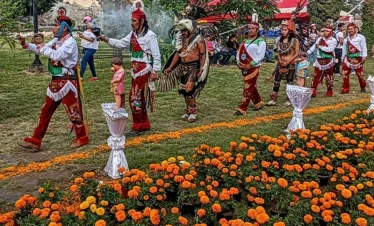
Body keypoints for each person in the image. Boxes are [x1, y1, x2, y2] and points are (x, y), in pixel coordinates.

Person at [17, 8, 89, 151]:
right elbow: (40, 49)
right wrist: (25, 44)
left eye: (56, 25)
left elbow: (57, 55)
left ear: (64, 28)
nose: (53, 28)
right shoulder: (56, 40)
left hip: (67, 82)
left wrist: (43, 46)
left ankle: (82, 137)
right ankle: (36, 139)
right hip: (56, 82)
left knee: (73, 112)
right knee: (45, 111)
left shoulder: (70, 43)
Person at [99, 0, 161, 136]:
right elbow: (121, 43)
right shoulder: (132, 34)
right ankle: (143, 123)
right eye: (131, 20)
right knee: (139, 97)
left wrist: (155, 71)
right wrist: (106, 39)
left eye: (134, 21)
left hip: (144, 69)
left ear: (142, 21)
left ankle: (138, 125)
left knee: (134, 97)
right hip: (135, 70)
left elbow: (156, 54)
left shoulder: (150, 36)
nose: (132, 23)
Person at [162, 19, 209, 123]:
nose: (183, 33)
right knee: (184, 91)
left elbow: (203, 54)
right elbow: (177, 54)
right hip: (183, 67)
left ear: (190, 29)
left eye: (184, 30)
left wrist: (202, 68)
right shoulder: (181, 40)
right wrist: (170, 67)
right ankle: (188, 110)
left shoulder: (198, 39)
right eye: (182, 31)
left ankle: (193, 112)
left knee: (189, 90)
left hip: (194, 67)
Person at [234, 22, 266, 115]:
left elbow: (261, 55)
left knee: (248, 86)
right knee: (251, 86)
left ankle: (242, 108)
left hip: (253, 67)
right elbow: (239, 52)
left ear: (257, 30)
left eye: (253, 28)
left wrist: (250, 64)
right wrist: (238, 62)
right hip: (243, 67)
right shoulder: (244, 41)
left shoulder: (261, 40)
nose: (250, 30)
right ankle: (258, 102)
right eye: (249, 28)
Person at [267, 20, 300, 106]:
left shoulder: (295, 40)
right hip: (280, 64)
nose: (283, 31)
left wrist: (288, 61)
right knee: (277, 81)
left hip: (290, 63)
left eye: (285, 30)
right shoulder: (279, 40)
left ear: (289, 30)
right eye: (282, 29)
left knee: (290, 82)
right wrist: (280, 60)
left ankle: (289, 100)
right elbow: (278, 52)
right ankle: (273, 99)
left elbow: (296, 53)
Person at [307, 25, 338, 97]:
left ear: (331, 32)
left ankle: (329, 91)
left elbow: (330, 49)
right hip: (319, 60)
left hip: (329, 61)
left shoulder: (333, 40)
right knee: (316, 76)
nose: (325, 32)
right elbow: (314, 46)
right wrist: (308, 52)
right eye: (324, 31)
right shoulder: (320, 39)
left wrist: (320, 47)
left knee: (329, 76)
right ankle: (313, 91)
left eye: (327, 31)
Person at [340, 23, 368, 94]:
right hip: (348, 59)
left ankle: (363, 87)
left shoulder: (361, 37)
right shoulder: (346, 39)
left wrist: (364, 56)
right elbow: (344, 50)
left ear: (355, 29)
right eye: (348, 29)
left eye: (351, 29)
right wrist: (342, 58)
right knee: (345, 74)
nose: (350, 30)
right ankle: (345, 89)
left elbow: (364, 47)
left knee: (360, 74)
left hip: (358, 59)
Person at [78, 16, 99, 81]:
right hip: (87, 48)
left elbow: (91, 40)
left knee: (84, 61)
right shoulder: (87, 30)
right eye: (85, 22)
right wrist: (81, 35)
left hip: (91, 48)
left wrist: (83, 36)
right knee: (91, 63)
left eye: (87, 22)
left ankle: (80, 77)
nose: (86, 24)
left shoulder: (94, 31)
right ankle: (94, 76)